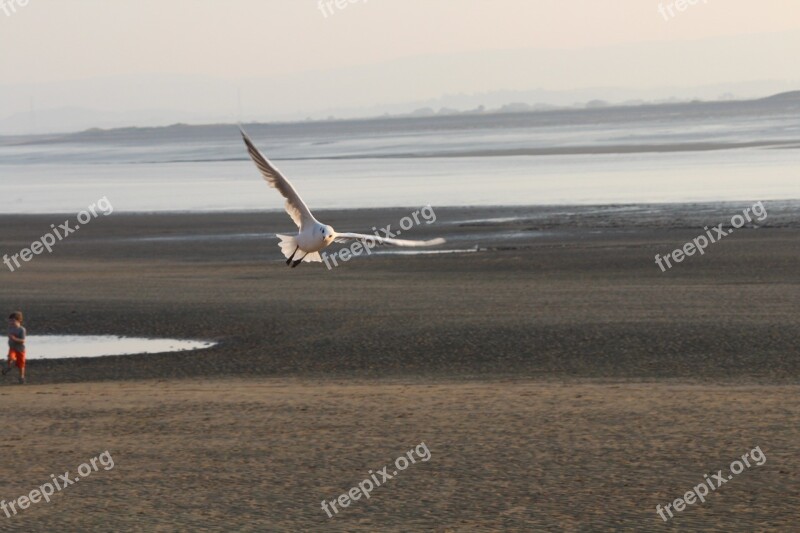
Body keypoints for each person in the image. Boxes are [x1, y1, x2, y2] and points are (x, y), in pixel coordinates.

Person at [3, 311, 26, 384]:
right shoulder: (10, 328)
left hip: (20, 349)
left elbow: (23, 341)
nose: (11, 322)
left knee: (21, 364)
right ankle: (9, 367)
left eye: (13, 320)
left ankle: (21, 377)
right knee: (10, 357)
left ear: (19, 321)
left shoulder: (22, 329)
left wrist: (15, 339)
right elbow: (9, 337)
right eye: (10, 321)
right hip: (12, 347)